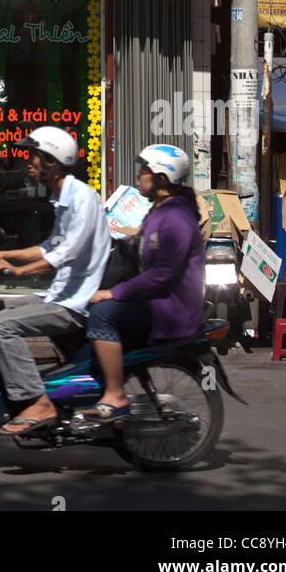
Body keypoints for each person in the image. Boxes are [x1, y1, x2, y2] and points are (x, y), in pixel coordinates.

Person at [0, 127, 111, 438]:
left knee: (1, 326)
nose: (28, 162)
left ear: (52, 162)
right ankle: (5, 383)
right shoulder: (62, 198)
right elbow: (48, 247)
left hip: (74, 302)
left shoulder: (82, 198)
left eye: (34, 157)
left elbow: (67, 253)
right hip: (59, 293)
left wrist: (17, 273)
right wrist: (0, 254)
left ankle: (38, 402)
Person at [83, 143, 205, 420]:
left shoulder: (176, 218)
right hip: (155, 299)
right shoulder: (159, 211)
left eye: (144, 169)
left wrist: (113, 293)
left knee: (102, 315)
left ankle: (115, 393)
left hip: (171, 308)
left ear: (161, 178)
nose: (139, 175)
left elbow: (162, 275)